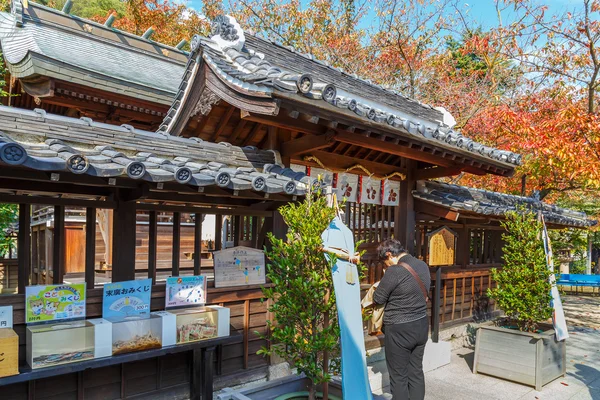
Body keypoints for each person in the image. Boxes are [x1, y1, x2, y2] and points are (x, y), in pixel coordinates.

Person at [373, 239, 431, 400]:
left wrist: (385, 276)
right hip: (421, 325)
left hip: (399, 329)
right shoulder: (422, 265)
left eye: (385, 263)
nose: (385, 266)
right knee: (416, 371)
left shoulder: (394, 271)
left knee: (399, 377)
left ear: (389, 255)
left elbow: (378, 298)